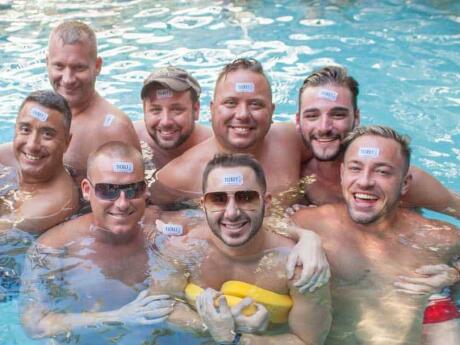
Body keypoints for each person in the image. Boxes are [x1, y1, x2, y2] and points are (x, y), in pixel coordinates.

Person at [291, 126, 460, 345]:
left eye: (382, 171)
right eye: (356, 168)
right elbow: (250, 232)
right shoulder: (309, 223)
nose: (365, 181)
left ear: (405, 183)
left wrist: (455, 275)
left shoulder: (437, 237)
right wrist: (304, 236)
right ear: (342, 174)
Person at [153, 153, 331, 344]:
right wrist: (209, 325)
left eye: (246, 197)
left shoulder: (298, 266)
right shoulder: (183, 246)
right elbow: (158, 305)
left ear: (267, 202)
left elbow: (308, 341)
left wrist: (236, 339)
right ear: (203, 205)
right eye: (218, 199)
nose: (232, 213)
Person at [20, 142, 173, 343]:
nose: (122, 203)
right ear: (86, 190)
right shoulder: (53, 249)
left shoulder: (161, 232)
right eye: (108, 190)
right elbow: (35, 325)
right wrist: (118, 317)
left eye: (132, 189)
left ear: (144, 190)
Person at [295, 65, 460, 218]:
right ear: (298, 121)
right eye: (312, 116)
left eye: (338, 114)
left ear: (357, 117)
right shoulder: (295, 178)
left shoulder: (400, 179)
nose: (324, 127)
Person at [152, 58, 309, 206]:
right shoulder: (177, 177)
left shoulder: (291, 141)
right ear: (212, 109)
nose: (242, 115)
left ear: (272, 111)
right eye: (231, 103)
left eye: (255, 104)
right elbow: (153, 218)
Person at [0, 90, 79, 233]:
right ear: (15, 130)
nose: (32, 145)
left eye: (47, 134)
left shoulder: (50, 206)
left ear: (67, 142)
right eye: (25, 129)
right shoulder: (7, 155)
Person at [134, 66, 211, 170]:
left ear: (196, 110)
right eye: (156, 110)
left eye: (176, 110)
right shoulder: (131, 140)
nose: (166, 122)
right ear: (144, 110)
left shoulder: (214, 149)